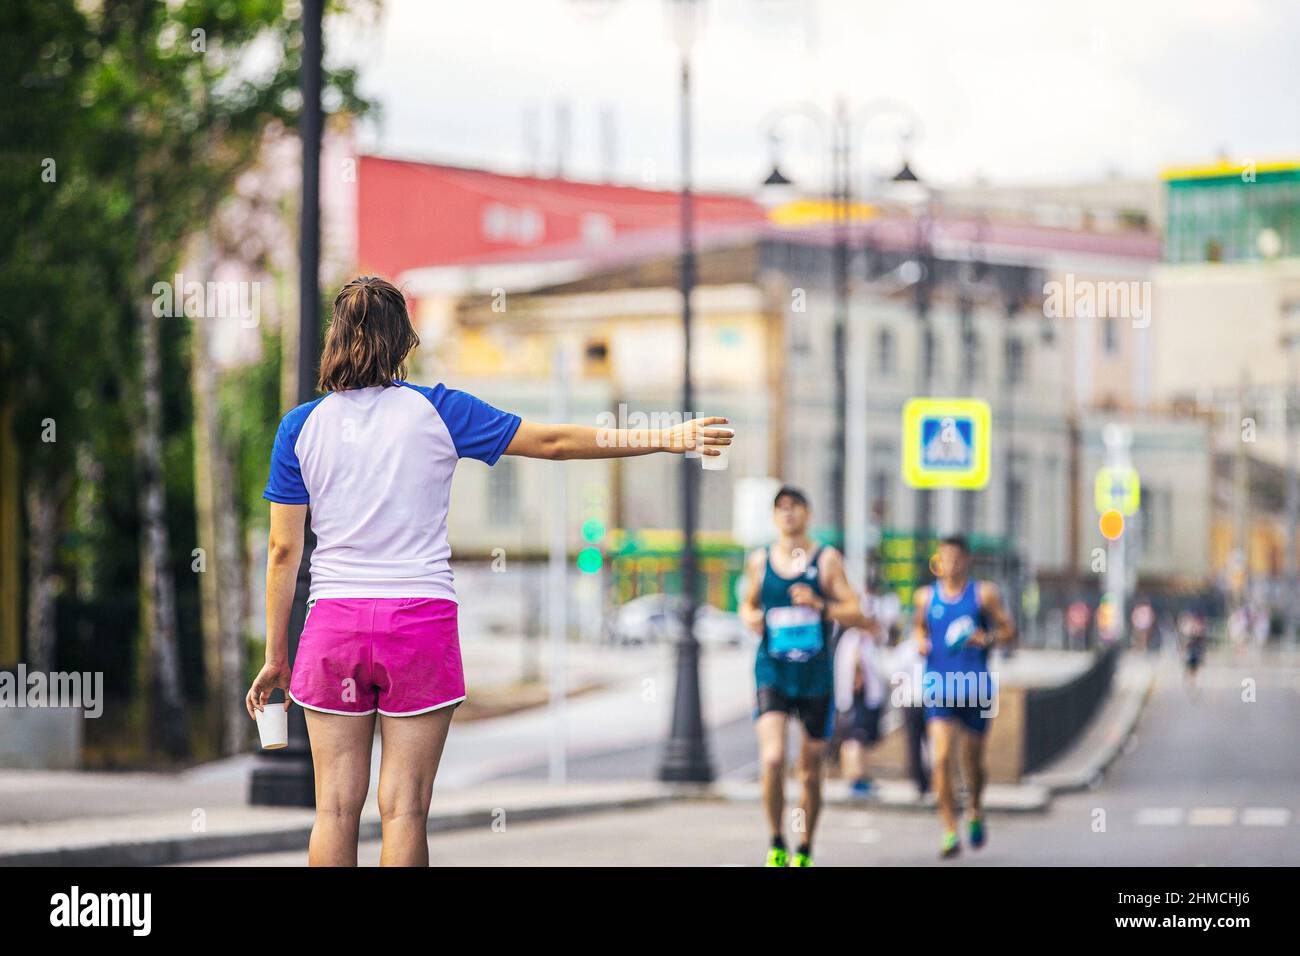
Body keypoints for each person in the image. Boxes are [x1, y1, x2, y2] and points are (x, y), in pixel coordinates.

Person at [245, 276, 731, 867]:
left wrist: (277, 655)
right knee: (403, 810)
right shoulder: (440, 410)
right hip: (417, 623)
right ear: (403, 342)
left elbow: (282, 552)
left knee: (335, 811)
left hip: (334, 626)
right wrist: (664, 437)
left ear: (336, 340)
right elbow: (552, 441)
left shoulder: (300, 427)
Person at [738, 486, 864, 867]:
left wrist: (821, 605)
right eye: (781, 508)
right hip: (772, 671)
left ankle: (805, 847)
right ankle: (777, 842)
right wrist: (752, 618)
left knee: (809, 771)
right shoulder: (760, 561)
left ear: (807, 514)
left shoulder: (826, 560)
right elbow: (746, 605)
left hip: (815, 677)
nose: (788, 514)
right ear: (774, 517)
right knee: (774, 759)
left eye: (794, 507)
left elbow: (855, 609)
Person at [912, 534, 1014, 859]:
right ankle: (949, 830)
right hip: (939, 687)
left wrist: (988, 638)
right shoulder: (926, 598)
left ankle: (974, 808)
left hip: (975, 687)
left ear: (965, 560)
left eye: (956, 558)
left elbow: (1009, 631)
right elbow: (918, 628)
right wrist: (919, 641)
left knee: (973, 761)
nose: (949, 565)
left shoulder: (983, 594)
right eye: (944, 558)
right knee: (940, 759)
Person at [831, 586, 887, 797]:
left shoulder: (858, 638)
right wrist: (858, 681)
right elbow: (856, 665)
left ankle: (859, 776)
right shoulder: (856, 639)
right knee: (855, 737)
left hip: (859, 695)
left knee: (856, 738)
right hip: (858, 696)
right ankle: (855, 777)